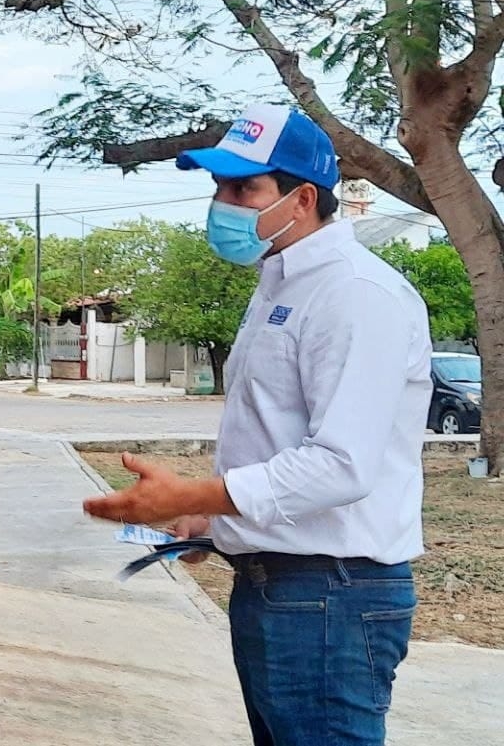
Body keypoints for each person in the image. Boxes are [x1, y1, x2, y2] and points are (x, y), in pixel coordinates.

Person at [84, 104, 431, 746]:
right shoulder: (280, 284)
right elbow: (279, 435)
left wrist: (194, 494)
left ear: (302, 199)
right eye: (219, 187)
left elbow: (341, 464)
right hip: (284, 588)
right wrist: (215, 518)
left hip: (330, 593)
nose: (224, 203)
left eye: (244, 188)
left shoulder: (354, 294)